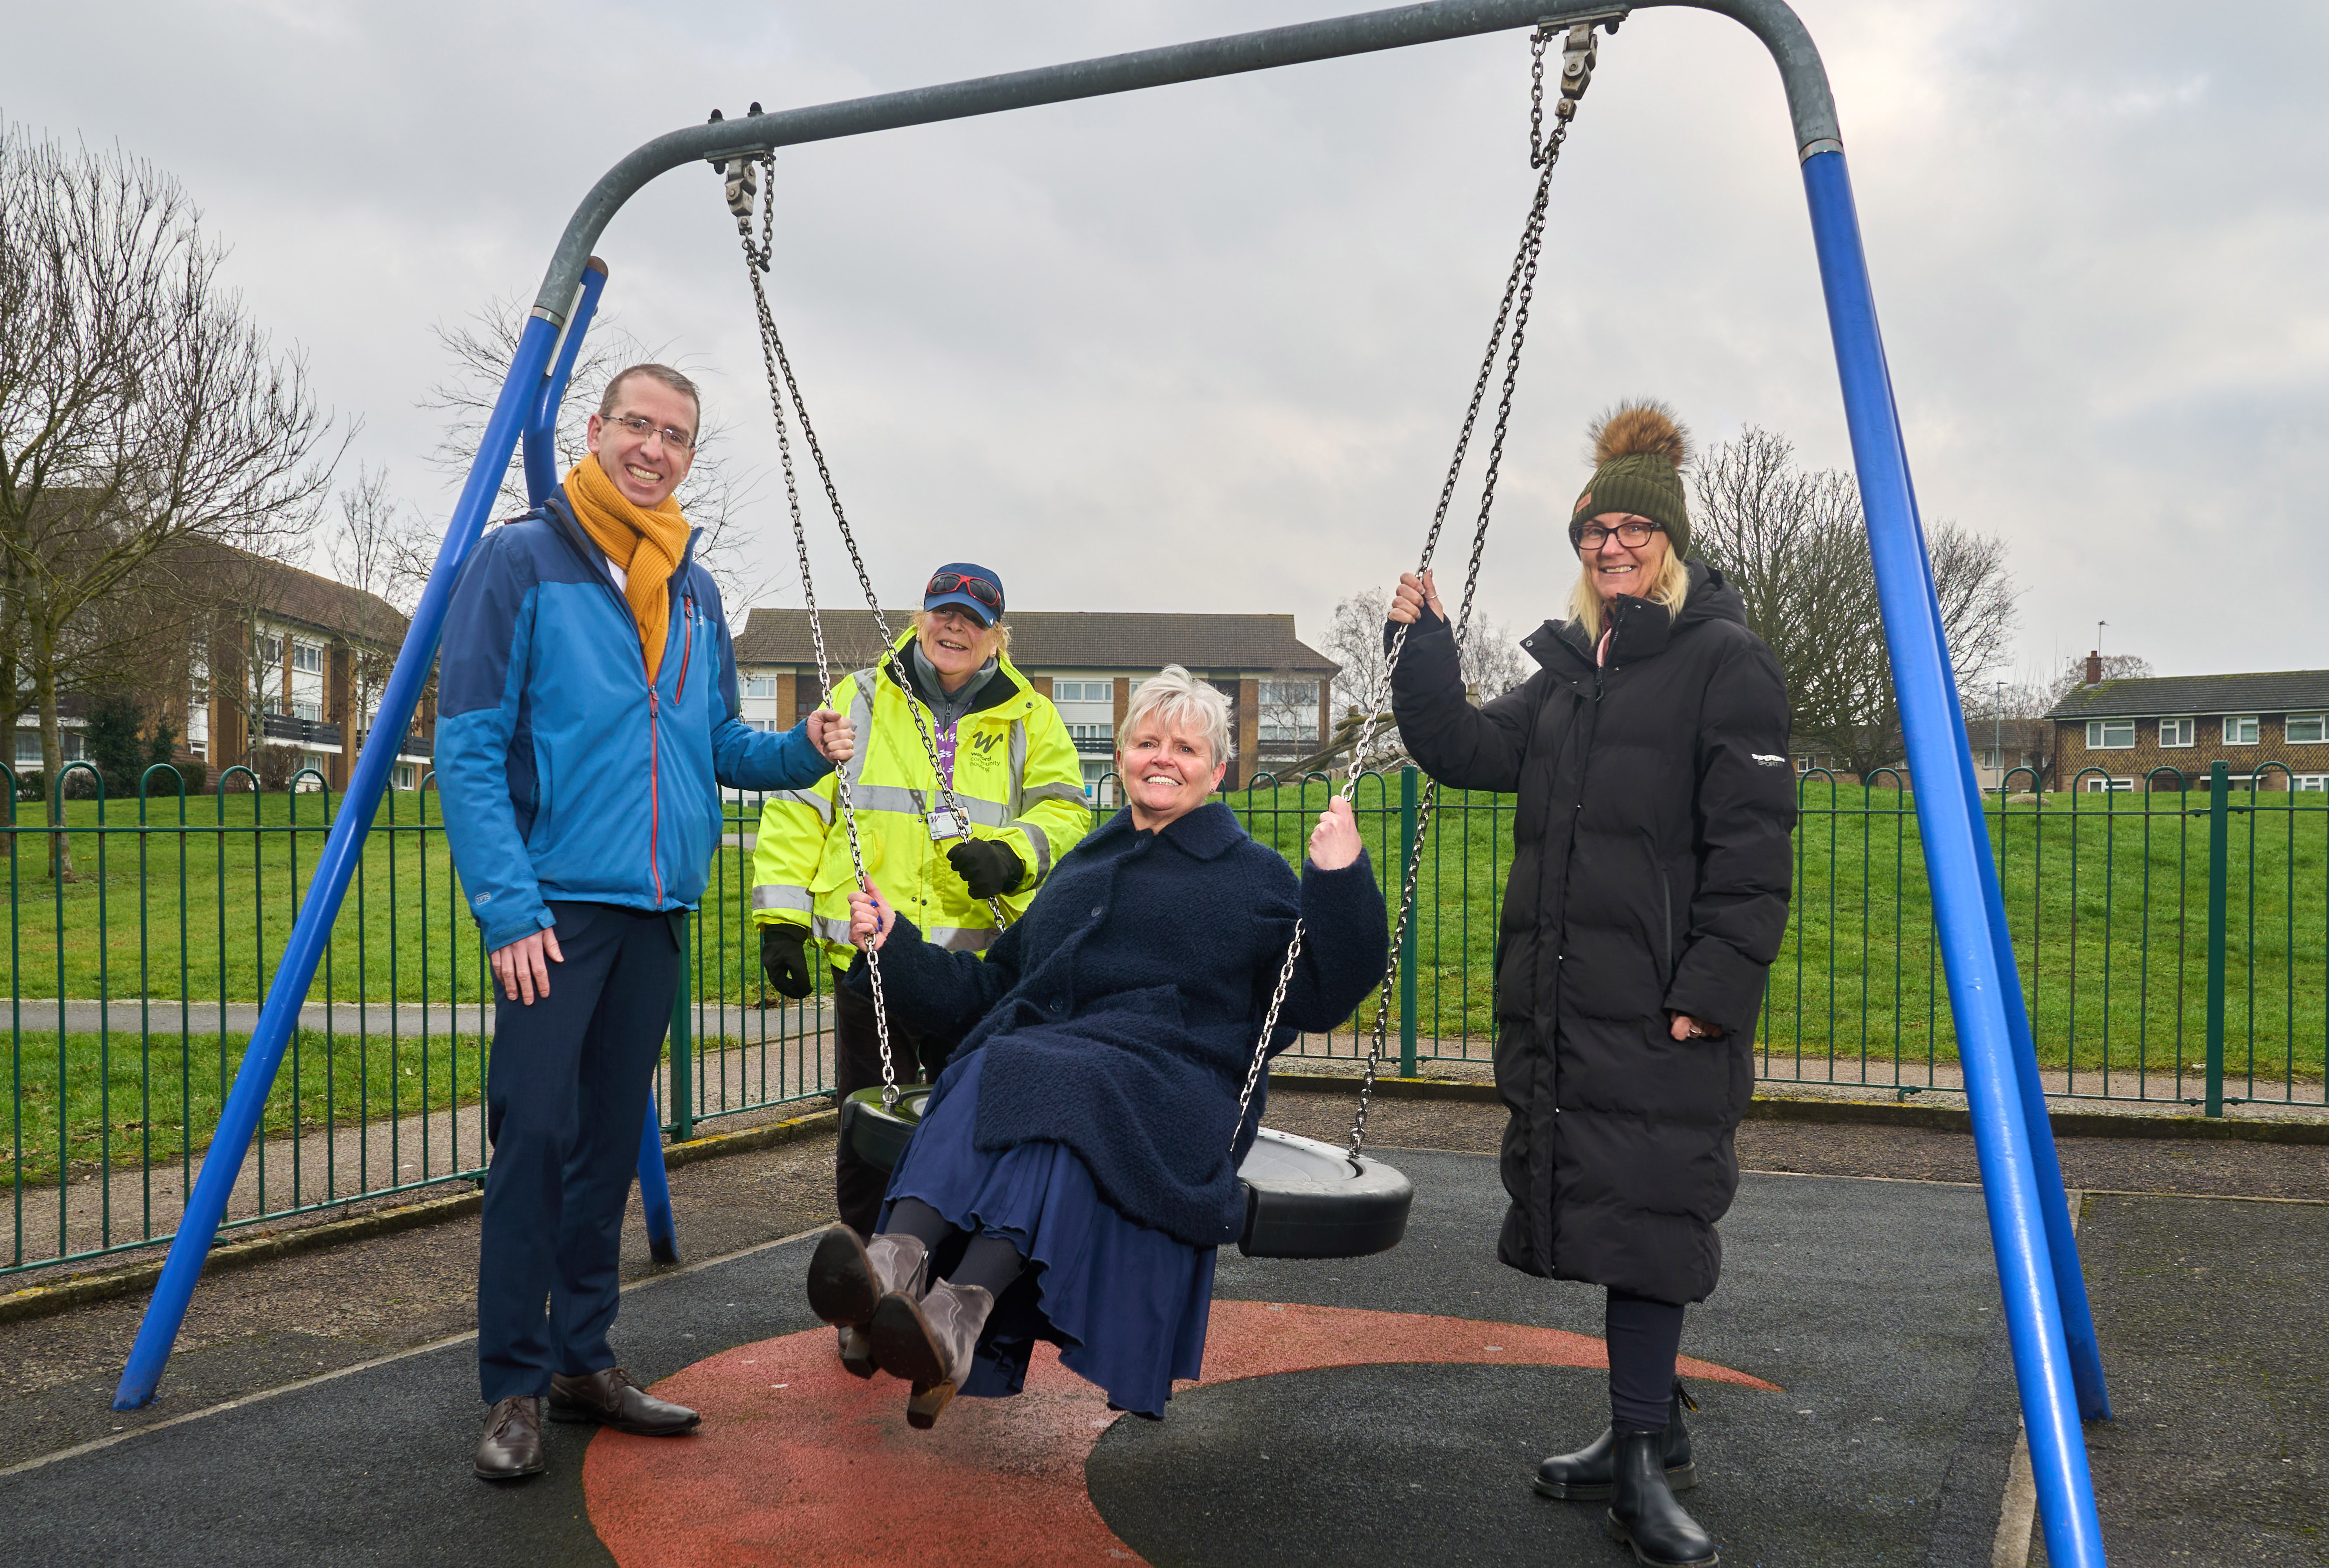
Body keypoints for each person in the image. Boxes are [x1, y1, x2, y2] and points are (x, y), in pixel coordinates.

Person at [1387, 402, 1794, 1568]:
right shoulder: (1574, 673)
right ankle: (1648, 1436)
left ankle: (1640, 1463)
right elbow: (1465, 750)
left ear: (1670, 540)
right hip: (1574, 999)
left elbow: (1755, 845)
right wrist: (1424, 648)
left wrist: (1713, 986)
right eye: (1593, 532)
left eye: (1632, 530)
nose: (1612, 547)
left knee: (1652, 1218)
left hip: (1665, 1003)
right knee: (1612, 1217)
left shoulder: (1725, 660)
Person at [437, 363, 856, 1483]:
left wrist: (800, 751)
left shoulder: (696, 588)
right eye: (638, 425)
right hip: (555, 909)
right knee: (534, 1138)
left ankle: (583, 1360)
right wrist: (510, 907)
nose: (654, 448)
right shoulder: (522, 562)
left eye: (676, 435)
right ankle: (513, 1384)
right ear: (596, 429)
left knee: (608, 1146)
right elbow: (469, 746)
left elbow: (714, 743)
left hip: (657, 910)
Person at [802, 666, 1387, 1426]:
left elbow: (1323, 992)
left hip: (1177, 1082)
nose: (1163, 758)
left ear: (1217, 771)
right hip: (1064, 1063)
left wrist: (1340, 879)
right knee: (993, 1058)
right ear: (1120, 757)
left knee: (1054, 1076)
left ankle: (957, 1309)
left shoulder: (1255, 876)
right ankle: (897, 1269)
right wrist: (895, 945)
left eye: (1186, 748)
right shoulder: (1083, 866)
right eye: (1148, 742)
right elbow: (994, 989)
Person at [748, 565, 1088, 1240]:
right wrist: (781, 920)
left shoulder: (1031, 716)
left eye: (973, 619)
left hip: (974, 971)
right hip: (874, 954)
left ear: (997, 636)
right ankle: (867, 1269)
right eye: (943, 613)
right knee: (871, 1126)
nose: (954, 627)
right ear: (920, 619)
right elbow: (799, 808)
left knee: (974, 1125)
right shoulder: (861, 698)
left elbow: (1066, 812)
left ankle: (950, 1265)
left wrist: (1011, 855)